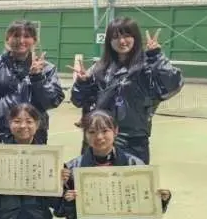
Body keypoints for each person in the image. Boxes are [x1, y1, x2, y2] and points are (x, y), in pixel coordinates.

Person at [70, 18, 183, 163]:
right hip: (98, 139)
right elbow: (79, 101)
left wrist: (156, 56)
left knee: (133, 176)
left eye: (127, 36)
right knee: (95, 176)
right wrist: (83, 83)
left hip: (133, 141)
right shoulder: (99, 68)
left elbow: (172, 85)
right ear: (109, 41)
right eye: (116, 37)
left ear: (135, 38)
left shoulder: (147, 67)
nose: (122, 41)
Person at [0, 20, 65, 145]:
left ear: (34, 40)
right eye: (16, 36)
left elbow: (52, 101)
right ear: (7, 39)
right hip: (0, 134)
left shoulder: (47, 68)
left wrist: (38, 78)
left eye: (27, 36)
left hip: (35, 135)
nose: (21, 41)